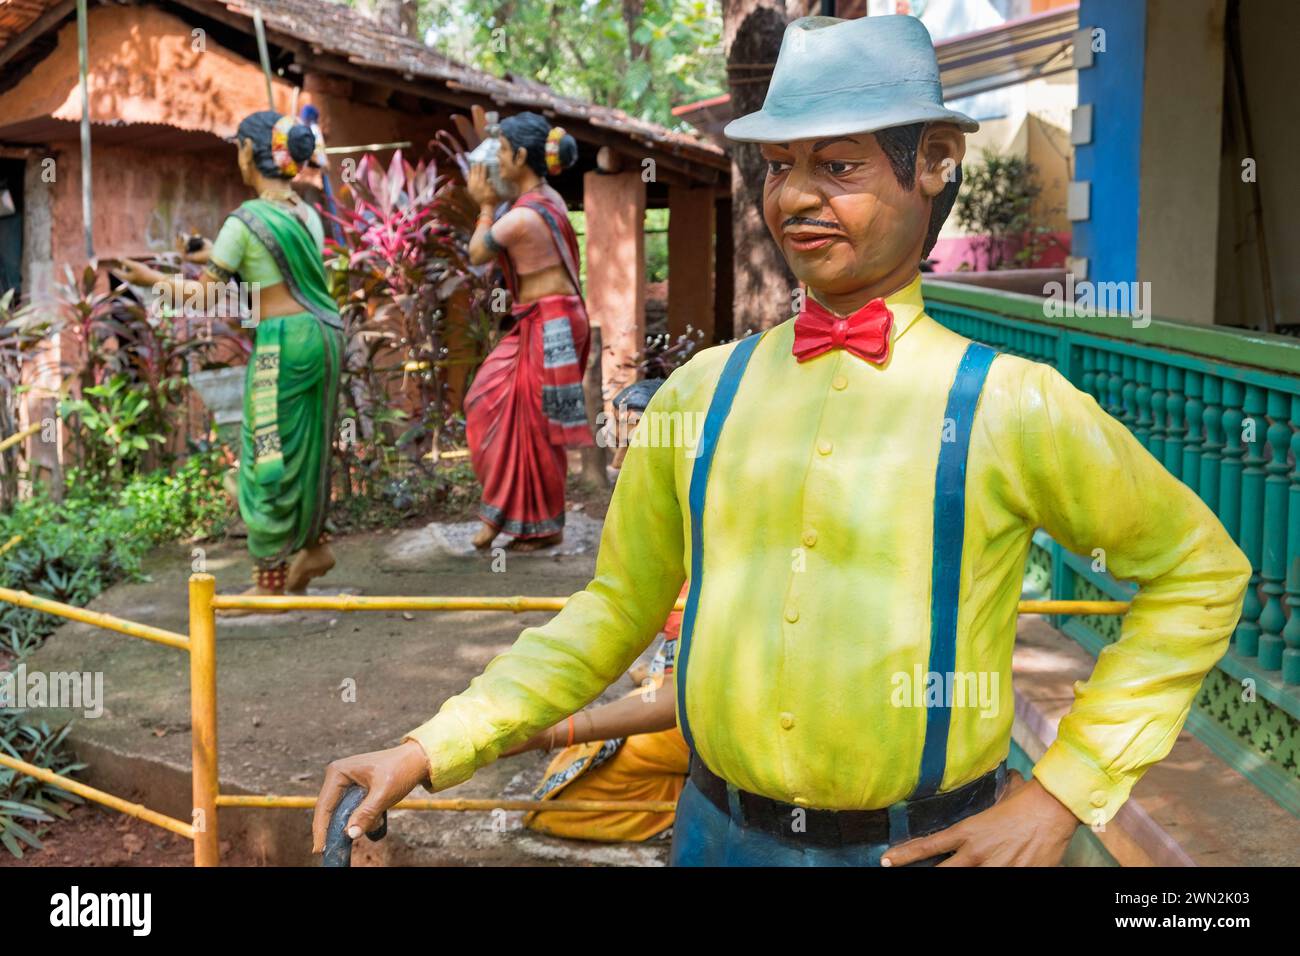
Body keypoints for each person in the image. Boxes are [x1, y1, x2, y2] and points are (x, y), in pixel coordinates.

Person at [313, 16, 1250, 867]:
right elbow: (610, 612)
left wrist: (1060, 795)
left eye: (838, 167)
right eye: (779, 166)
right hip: (712, 837)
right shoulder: (701, 395)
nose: (795, 197)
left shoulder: (1012, 406)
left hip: (920, 851)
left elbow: (1199, 576)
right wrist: (430, 746)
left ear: (931, 163)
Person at [117, 111, 343, 608]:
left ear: (250, 152)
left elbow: (204, 299)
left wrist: (147, 277)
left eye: (238, 147)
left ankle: (269, 578)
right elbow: (269, 287)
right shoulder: (304, 212)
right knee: (306, 445)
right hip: (323, 335)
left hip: (281, 343)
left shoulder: (245, 219)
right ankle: (312, 546)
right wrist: (210, 256)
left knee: (265, 449)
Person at [502, 379, 689, 843]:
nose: (619, 463)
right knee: (580, 757)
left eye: (636, 447)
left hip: (718, 719)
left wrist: (554, 730)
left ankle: (689, 810)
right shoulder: (672, 524)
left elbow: (676, 703)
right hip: (689, 696)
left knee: (560, 806)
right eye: (617, 447)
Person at [462, 110, 593, 552]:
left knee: (533, 424)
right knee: (488, 404)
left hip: (550, 321)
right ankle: (517, 518)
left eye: (501, 150)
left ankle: (535, 524)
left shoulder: (523, 215)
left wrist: (482, 204)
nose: (495, 159)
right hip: (540, 319)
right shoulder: (542, 202)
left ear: (520, 156)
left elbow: (478, 251)